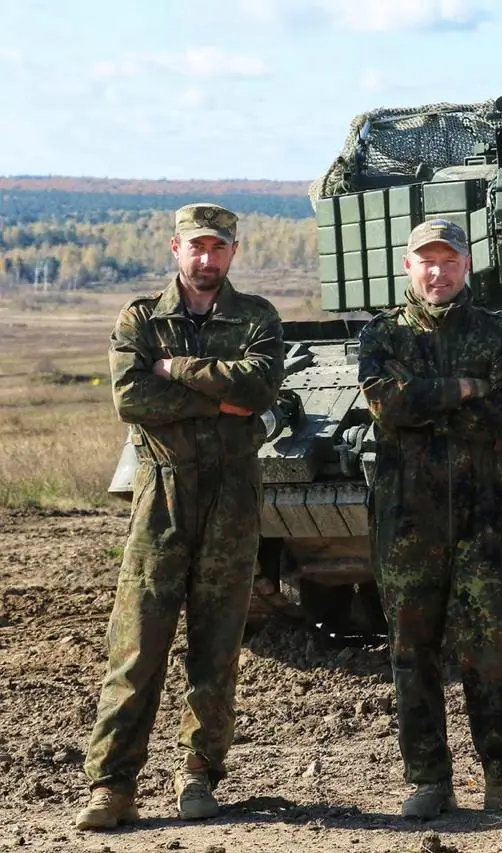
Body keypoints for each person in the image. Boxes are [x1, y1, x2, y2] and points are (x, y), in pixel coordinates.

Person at [76, 203, 285, 830]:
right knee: (138, 646)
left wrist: (179, 371)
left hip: (231, 497)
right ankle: (112, 786)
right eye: (195, 246)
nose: (206, 257)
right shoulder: (140, 318)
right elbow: (131, 399)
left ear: (232, 252)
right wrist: (221, 401)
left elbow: (261, 389)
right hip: (163, 494)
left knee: (216, 647)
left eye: (217, 247)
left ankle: (199, 777)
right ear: (175, 249)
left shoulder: (257, 318)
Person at [357, 218, 502, 820]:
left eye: (448, 260)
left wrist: (428, 402)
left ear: (468, 264)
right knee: (413, 647)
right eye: (425, 261)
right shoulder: (383, 335)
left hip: (483, 512)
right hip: (406, 513)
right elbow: (388, 405)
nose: (437, 272)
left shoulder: (496, 332)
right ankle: (428, 779)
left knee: (497, 642)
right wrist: (466, 388)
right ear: (407, 266)